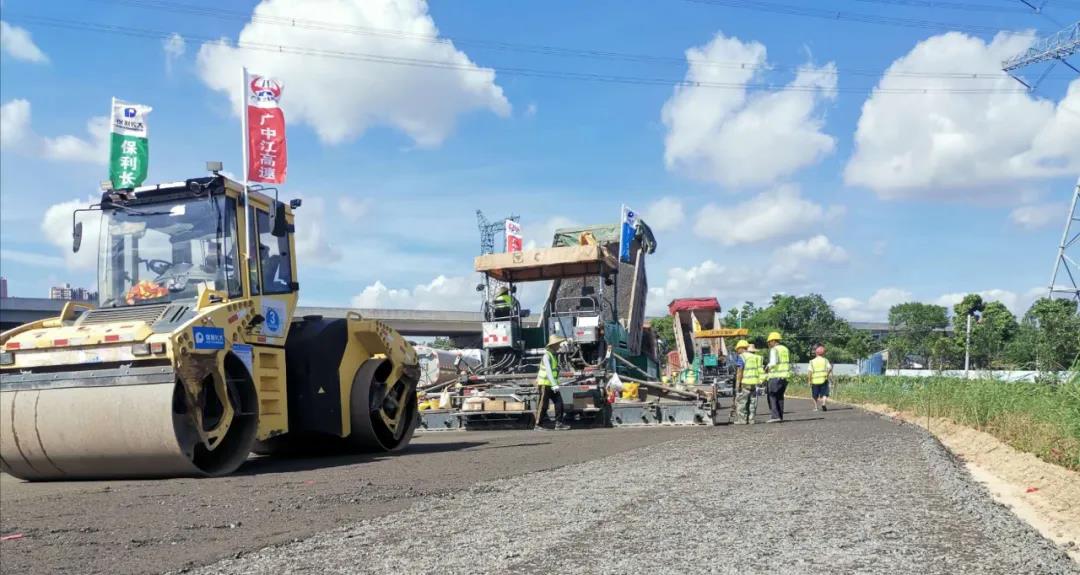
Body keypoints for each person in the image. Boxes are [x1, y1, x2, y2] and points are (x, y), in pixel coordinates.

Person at [535, 335, 568, 431]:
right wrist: (554, 384)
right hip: (545, 384)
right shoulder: (547, 356)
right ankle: (538, 425)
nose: (559, 346)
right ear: (553, 345)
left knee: (559, 403)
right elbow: (548, 371)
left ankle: (559, 423)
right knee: (543, 405)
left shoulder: (553, 356)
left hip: (551, 384)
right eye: (558, 344)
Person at [731, 339, 763, 425]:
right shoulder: (755, 357)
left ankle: (742, 420)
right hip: (754, 383)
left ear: (741, 348)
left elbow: (740, 371)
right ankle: (751, 419)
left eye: (737, 349)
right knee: (752, 402)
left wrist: (737, 385)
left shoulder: (742, 356)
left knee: (742, 402)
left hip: (745, 383)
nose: (737, 351)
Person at [764, 331, 791, 423]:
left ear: (773, 341)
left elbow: (773, 362)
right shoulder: (785, 349)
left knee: (772, 396)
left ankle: (775, 416)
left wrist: (767, 367)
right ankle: (780, 416)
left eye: (769, 342)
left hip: (775, 376)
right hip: (784, 377)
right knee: (780, 397)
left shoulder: (774, 349)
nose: (769, 343)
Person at [808, 345, 833, 412]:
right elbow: (830, 368)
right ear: (823, 353)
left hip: (814, 380)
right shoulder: (825, 360)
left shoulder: (812, 361)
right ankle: (824, 403)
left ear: (816, 353)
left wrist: (809, 381)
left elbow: (810, 372)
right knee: (825, 393)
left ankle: (816, 407)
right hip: (824, 379)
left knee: (814, 395)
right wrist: (827, 374)